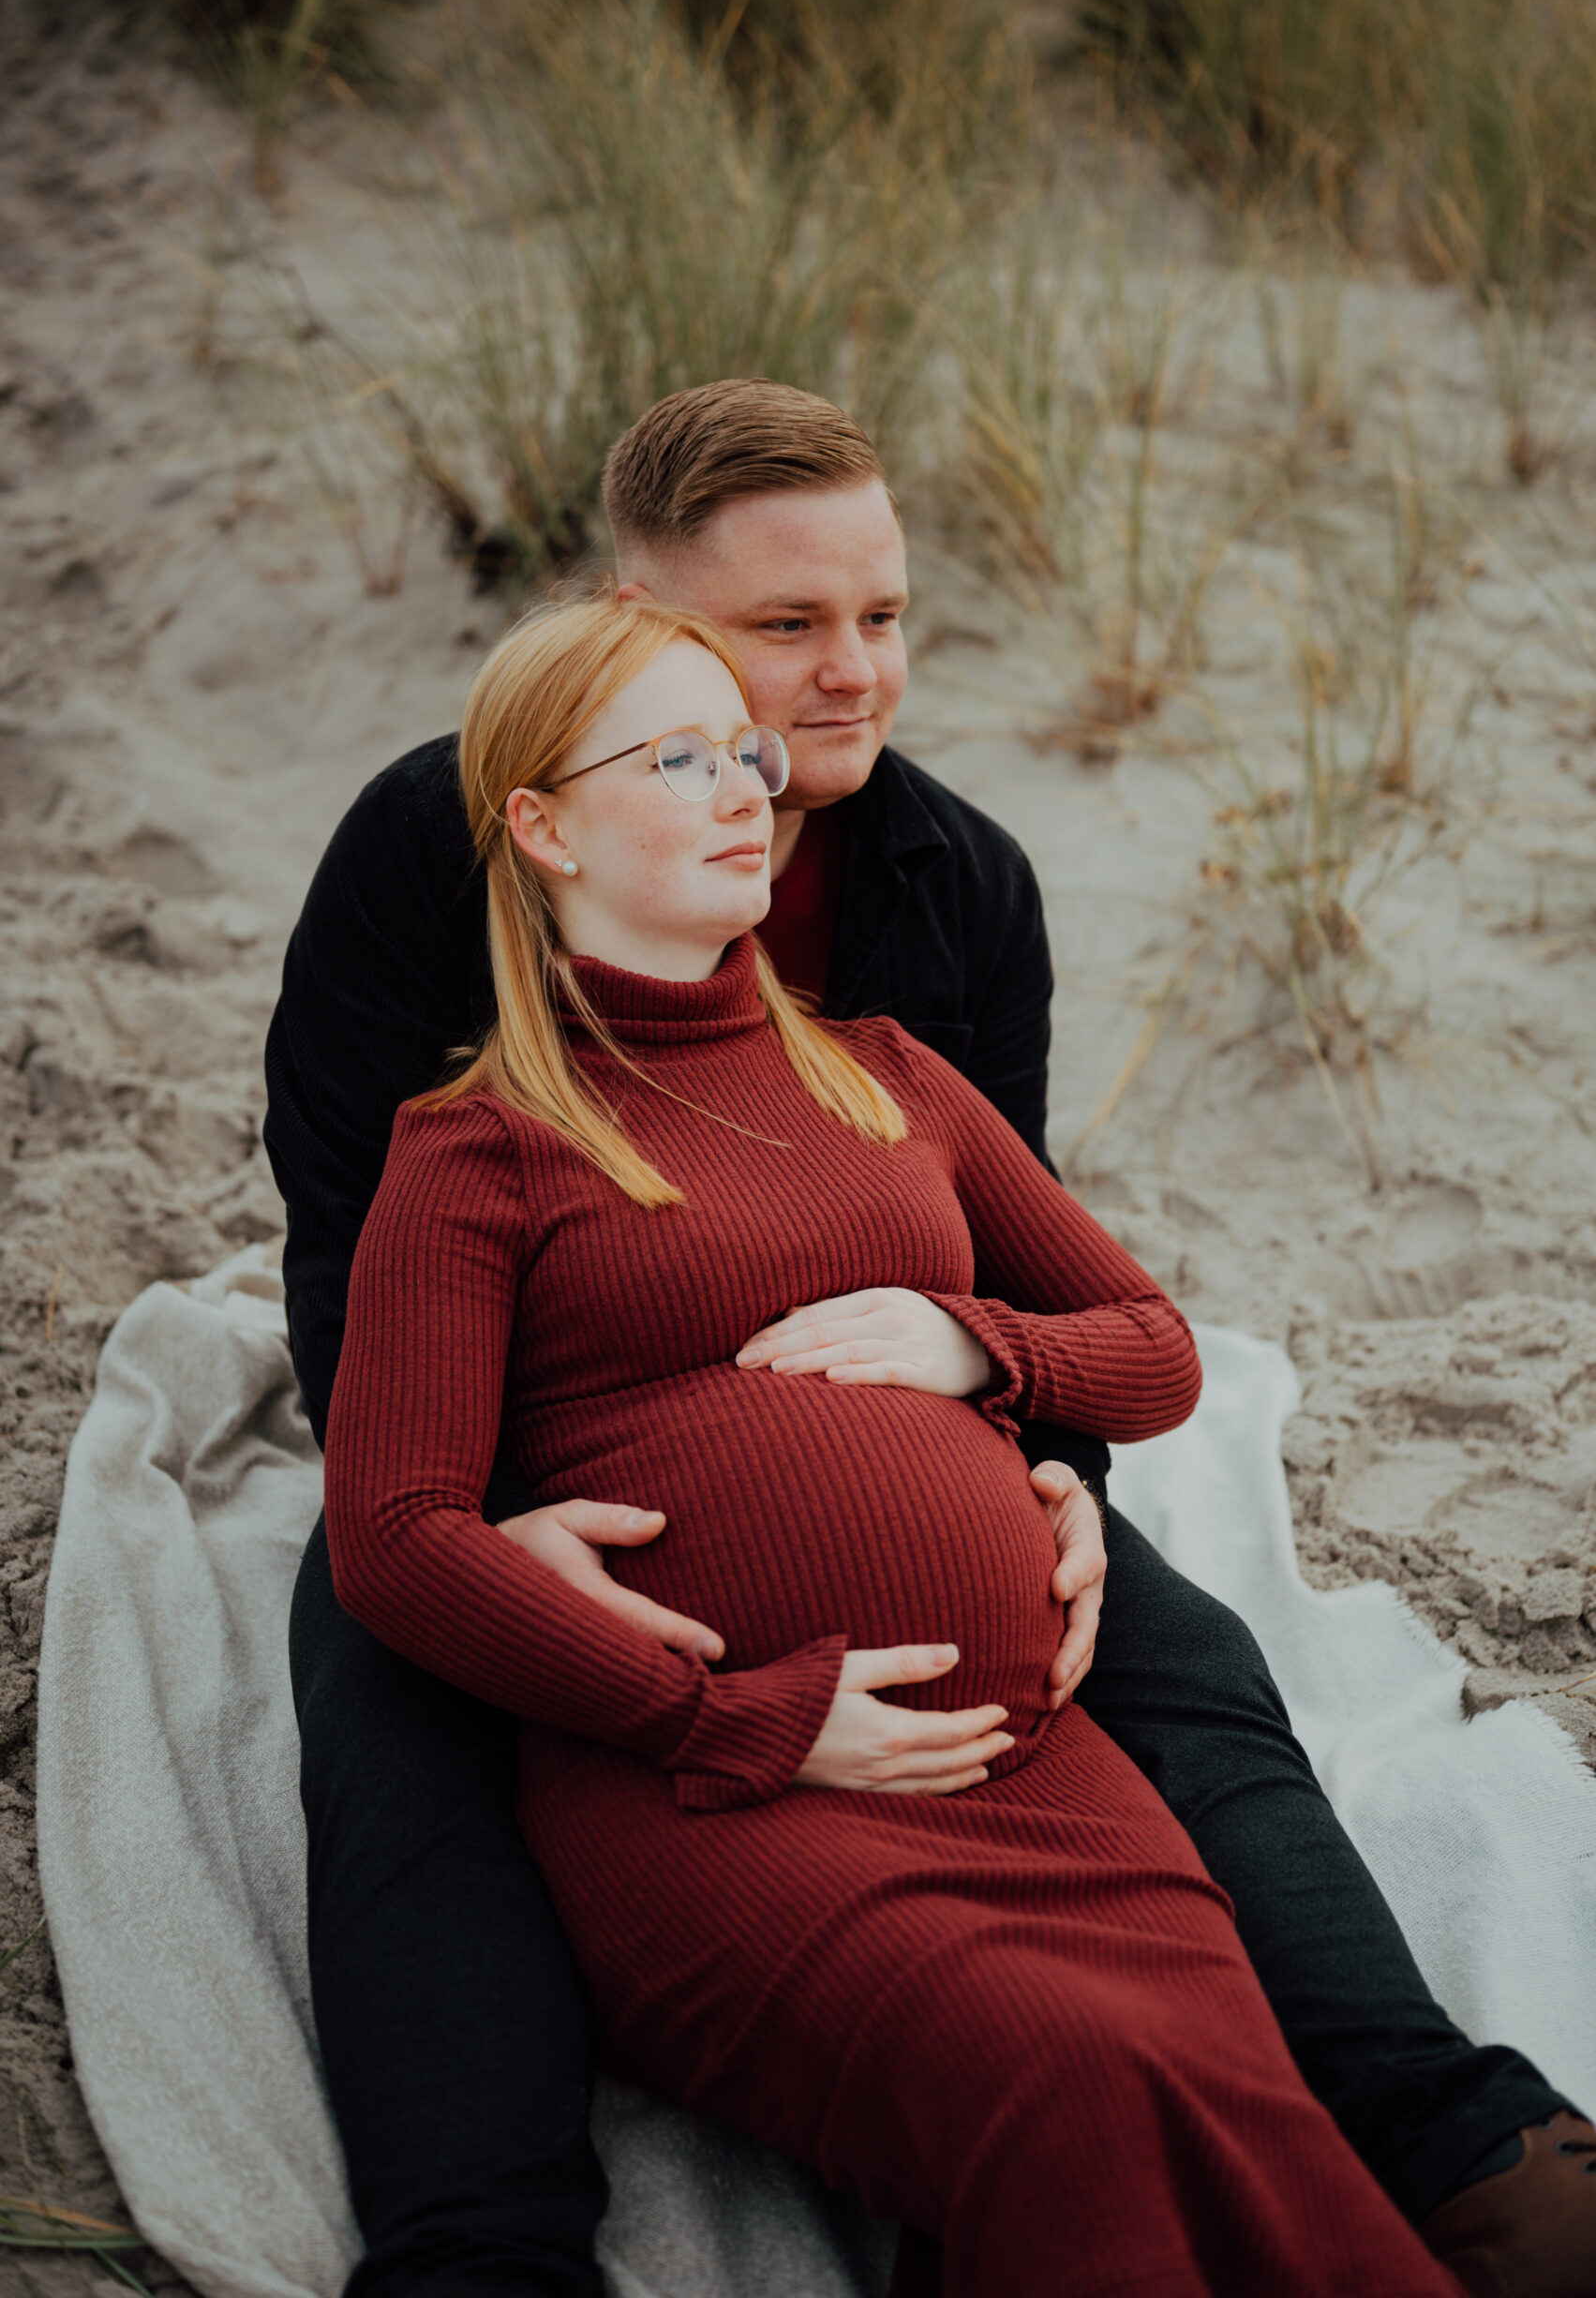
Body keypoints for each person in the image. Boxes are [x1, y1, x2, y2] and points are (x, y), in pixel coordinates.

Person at [266, 381, 1593, 2298]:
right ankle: (483, 2248)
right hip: (539, 1462)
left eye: (882, 615)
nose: (850, 673)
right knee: (392, 1693)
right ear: (631, 616)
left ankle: (1452, 2131)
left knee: (1184, 1649)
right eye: (784, 625)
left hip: (928, 1452)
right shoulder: (432, 844)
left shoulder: (954, 891)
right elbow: (349, 1251)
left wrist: (1058, 1466)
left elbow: (1036, 1281)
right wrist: (501, 1523)